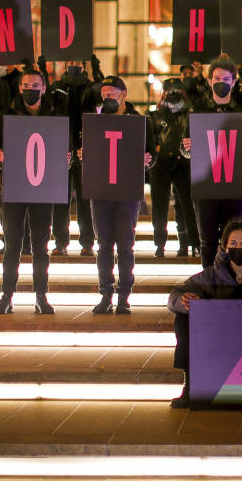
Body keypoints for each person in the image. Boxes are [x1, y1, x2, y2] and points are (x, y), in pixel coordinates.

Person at [167, 220, 242, 408]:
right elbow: (174, 296)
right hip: (219, 335)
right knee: (182, 319)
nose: (238, 247)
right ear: (224, 247)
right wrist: (185, 300)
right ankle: (189, 385)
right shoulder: (211, 275)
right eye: (232, 243)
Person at [0, 69, 60, 315]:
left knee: (41, 246)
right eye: (26, 84)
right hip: (14, 186)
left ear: (43, 88)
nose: (30, 88)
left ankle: (41, 296)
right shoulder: (6, 116)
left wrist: (67, 157)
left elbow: (64, 149)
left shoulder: (54, 116)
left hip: (43, 188)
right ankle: (7, 295)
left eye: (35, 85)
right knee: (12, 245)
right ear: (20, 88)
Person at [86, 76, 156, 314]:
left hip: (126, 191)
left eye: (111, 93)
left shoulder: (138, 121)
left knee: (125, 246)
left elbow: (151, 152)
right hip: (101, 190)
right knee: (104, 245)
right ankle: (106, 293)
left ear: (123, 94)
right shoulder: (95, 121)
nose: (107, 97)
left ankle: (124, 295)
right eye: (104, 93)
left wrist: (148, 160)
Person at [182, 58, 242, 268]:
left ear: (233, 82)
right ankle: (208, 283)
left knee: (235, 240)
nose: (220, 82)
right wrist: (187, 148)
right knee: (207, 240)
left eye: (225, 79)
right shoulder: (198, 111)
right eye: (216, 78)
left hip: (235, 185)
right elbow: (185, 147)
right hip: (207, 185)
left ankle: (233, 282)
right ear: (208, 80)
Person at [42, 55, 104, 257]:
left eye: (79, 62)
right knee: (60, 199)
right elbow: (47, 107)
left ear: (84, 65)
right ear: (66, 64)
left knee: (85, 199)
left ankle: (87, 242)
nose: (75, 65)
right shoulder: (57, 87)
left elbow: (102, 105)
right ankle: (60, 242)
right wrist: (43, 70)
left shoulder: (92, 87)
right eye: (72, 62)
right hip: (61, 146)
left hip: (85, 147)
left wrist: (98, 73)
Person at [149, 79, 199, 258]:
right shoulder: (154, 115)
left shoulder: (190, 115)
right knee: (159, 205)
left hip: (183, 163)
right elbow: (150, 138)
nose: (172, 93)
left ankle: (191, 243)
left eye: (176, 89)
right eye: (168, 90)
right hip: (160, 164)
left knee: (187, 205)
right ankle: (160, 243)